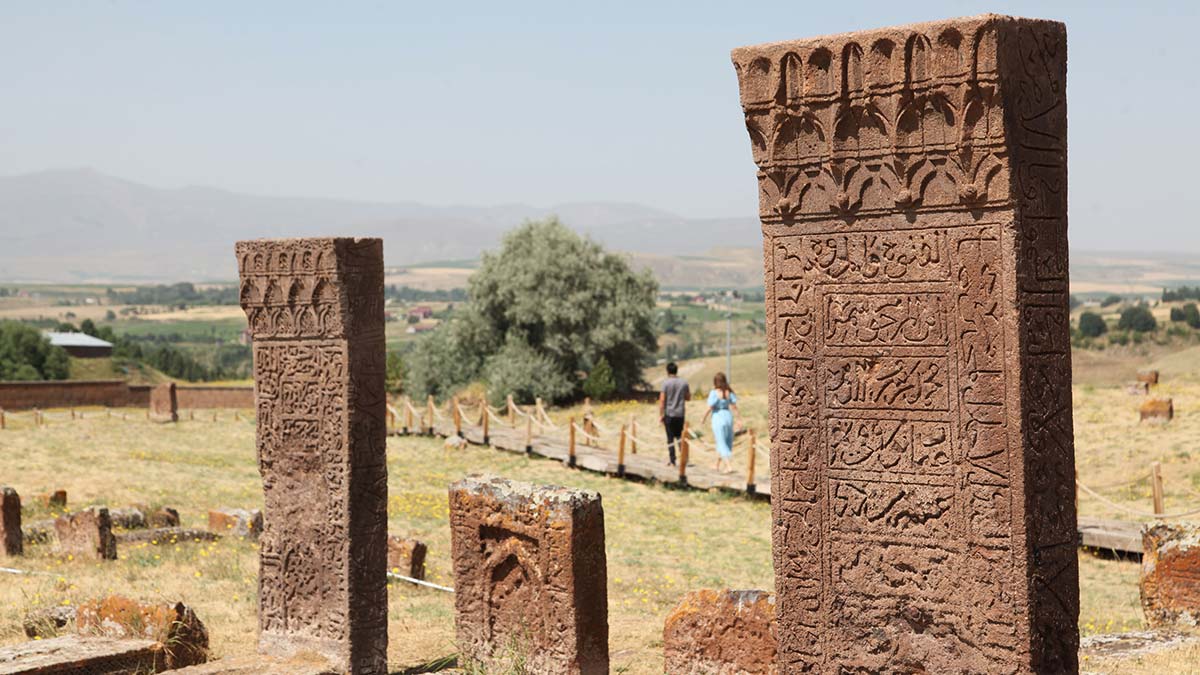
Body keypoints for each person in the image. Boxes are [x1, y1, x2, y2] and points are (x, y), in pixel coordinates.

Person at [701, 372, 739, 474]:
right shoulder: (729, 392)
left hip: (718, 417)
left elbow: (710, 407)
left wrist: (703, 418)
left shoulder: (714, 393)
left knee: (721, 441)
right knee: (726, 440)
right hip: (728, 416)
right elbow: (734, 407)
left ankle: (728, 466)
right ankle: (717, 464)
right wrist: (738, 419)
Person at [658, 362, 689, 466]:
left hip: (669, 414)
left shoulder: (665, 383)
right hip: (680, 413)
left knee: (670, 438)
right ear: (676, 370)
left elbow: (662, 400)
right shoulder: (684, 383)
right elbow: (688, 397)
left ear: (667, 371)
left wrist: (661, 414)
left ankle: (672, 460)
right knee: (680, 437)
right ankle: (684, 458)